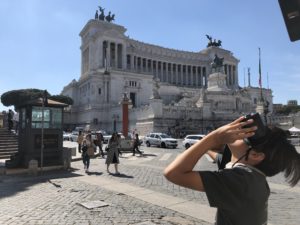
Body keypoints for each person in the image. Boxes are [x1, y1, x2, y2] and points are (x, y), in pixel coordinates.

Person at [164, 116, 300, 225]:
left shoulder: (240, 181)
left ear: (256, 155)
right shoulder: (252, 176)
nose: (239, 134)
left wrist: (213, 138)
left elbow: (173, 173)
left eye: (246, 137)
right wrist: (210, 144)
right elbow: (220, 158)